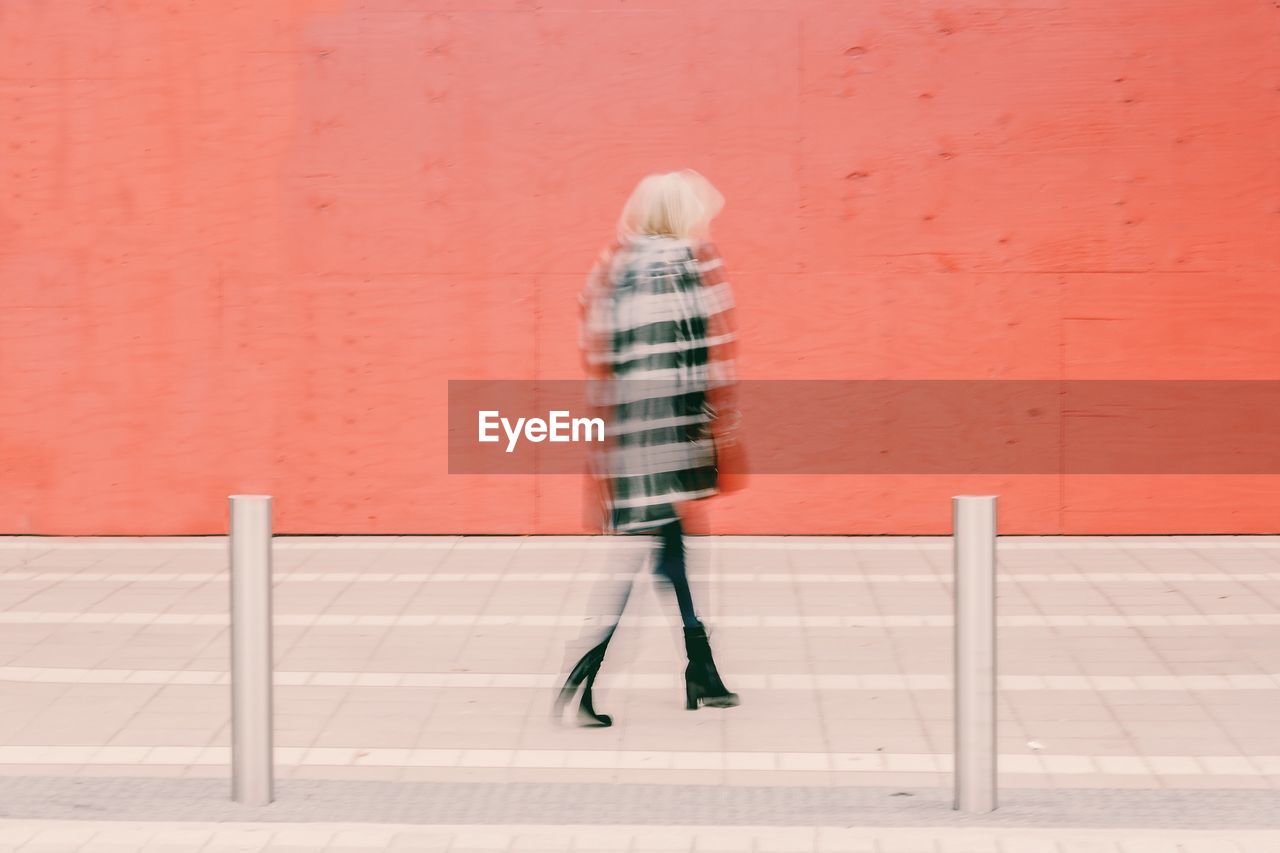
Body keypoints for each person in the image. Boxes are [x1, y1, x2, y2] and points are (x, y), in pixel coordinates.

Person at [553, 170, 741, 728]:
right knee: (649, 555)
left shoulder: (615, 265)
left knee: (670, 548)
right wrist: (714, 429)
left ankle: (701, 670)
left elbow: (596, 339)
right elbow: (710, 353)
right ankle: (586, 670)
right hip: (673, 435)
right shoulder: (690, 264)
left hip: (629, 436)